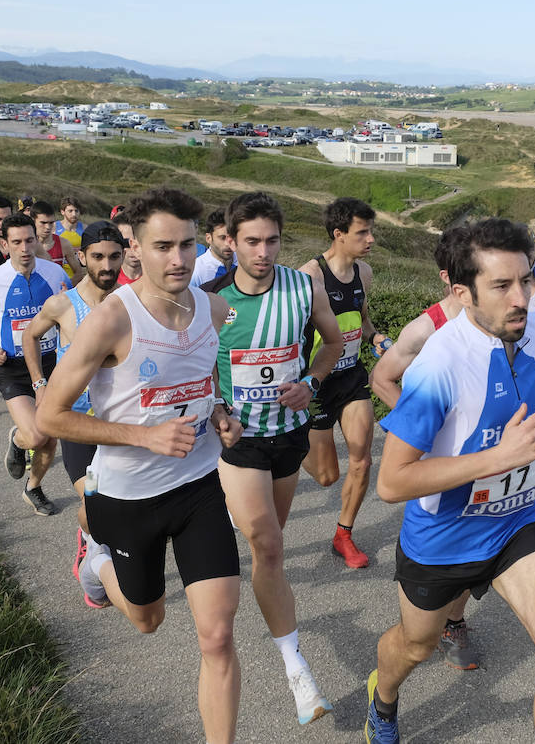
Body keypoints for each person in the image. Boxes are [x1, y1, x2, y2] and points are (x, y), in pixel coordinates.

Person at [365, 217, 535, 744]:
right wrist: (499, 457)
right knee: (416, 647)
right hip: (442, 540)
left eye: (527, 280)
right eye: (501, 286)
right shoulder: (437, 365)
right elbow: (392, 483)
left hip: (515, 525)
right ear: (463, 292)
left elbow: (517, 414)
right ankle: (383, 699)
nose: (520, 298)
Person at [36, 189, 243, 744]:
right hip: (128, 497)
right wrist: (142, 435)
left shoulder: (213, 308)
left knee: (218, 637)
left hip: (199, 487)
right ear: (136, 248)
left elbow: (202, 382)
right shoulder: (109, 321)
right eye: (163, 246)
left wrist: (222, 413)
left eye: (187, 244)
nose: (177, 259)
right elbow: (50, 416)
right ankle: (96, 565)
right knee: (148, 620)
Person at [202, 191, 343, 725]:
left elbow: (331, 344)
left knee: (269, 552)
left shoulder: (304, 288)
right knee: (266, 541)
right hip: (240, 440)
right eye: (252, 241)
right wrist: (217, 409)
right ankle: (296, 670)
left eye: (273, 240)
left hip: (289, 433)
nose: (263, 251)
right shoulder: (211, 298)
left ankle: (255, 566)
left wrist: (310, 380)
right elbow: (199, 372)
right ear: (231, 242)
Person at [369, 226, 484, 669]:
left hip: (489, 466)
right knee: (448, 548)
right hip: (437, 469)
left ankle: (454, 620)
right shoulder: (425, 329)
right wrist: (423, 432)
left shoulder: (504, 320)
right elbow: (381, 378)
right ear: (451, 280)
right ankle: (432, 630)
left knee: (479, 546)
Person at [22, 221, 124, 570]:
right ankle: (92, 541)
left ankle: (100, 539)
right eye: (97, 257)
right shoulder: (63, 305)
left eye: (114, 257)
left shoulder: (132, 304)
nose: (107, 266)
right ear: (81, 256)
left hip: (122, 425)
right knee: (97, 500)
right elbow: (30, 336)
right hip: (78, 425)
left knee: (121, 503)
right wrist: (39, 384)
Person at [298, 198, 390, 569]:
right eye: (362, 232)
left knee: (362, 460)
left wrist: (378, 340)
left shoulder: (364, 273)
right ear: (338, 234)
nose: (371, 239)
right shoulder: (309, 276)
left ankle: (344, 534)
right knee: (326, 476)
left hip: (351, 377)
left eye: (371, 231)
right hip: (316, 384)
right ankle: (289, 447)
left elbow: (363, 323)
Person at [0, 212, 70, 516]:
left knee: (50, 438)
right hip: (12, 367)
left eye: (29, 240)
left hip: (50, 364)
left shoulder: (55, 274)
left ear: (36, 240)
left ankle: (33, 487)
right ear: (4, 243)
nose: (24, 248)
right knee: (36, 436)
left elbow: (70, 308)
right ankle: (17, 438)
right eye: (17, 242)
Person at [31, 200, 84, 283]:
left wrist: (65, 290)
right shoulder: (25, 245)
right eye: (43, 223)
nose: (48, 227)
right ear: (33, 221)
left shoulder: (64, 244)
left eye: (51, 223)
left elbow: (79, 273)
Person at [191, 209, 234, 286]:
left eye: (233, 237)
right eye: (222, 238)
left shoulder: (245, 262)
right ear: (208, 238)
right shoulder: (197, 272)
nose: (228, 243)